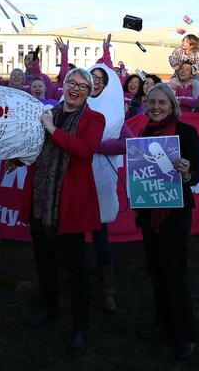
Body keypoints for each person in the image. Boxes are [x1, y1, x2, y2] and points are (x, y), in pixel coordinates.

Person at [9, 68, 105, 358]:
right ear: (63, 85)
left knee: (76, 270)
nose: (75, 89)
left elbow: (84, 150)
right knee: (43, 260)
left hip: (70, 204)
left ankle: (80, 328)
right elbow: (37, 147)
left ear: (89, 93)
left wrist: (52, 130)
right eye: (70, 83)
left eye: (82, 87)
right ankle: (49, 307)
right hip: (41, 200)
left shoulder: (94, 119)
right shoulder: (47, 112)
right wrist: (19, 159)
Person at [136, 83, 199, 361]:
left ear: (173, 105)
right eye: (152, 102)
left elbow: (195, 175)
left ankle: (185, 335)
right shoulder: (143, 133)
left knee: (174, 273)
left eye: (162, 102)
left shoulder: (186, 133)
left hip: (175, 213)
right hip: (150, 210)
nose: (156, 107)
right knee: (155, 270)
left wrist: (186, 173)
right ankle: (161, 321)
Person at [86, 65, 125, 312]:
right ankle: (70, 277)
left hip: (101, 179)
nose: (97, 82)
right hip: (75, 176)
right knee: (70, 233)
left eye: (102, 79)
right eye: (93, 77)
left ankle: (107, 290)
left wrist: (99, 146)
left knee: (100, 234)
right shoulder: (77, 101)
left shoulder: (116, 113)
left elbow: (127, 143)